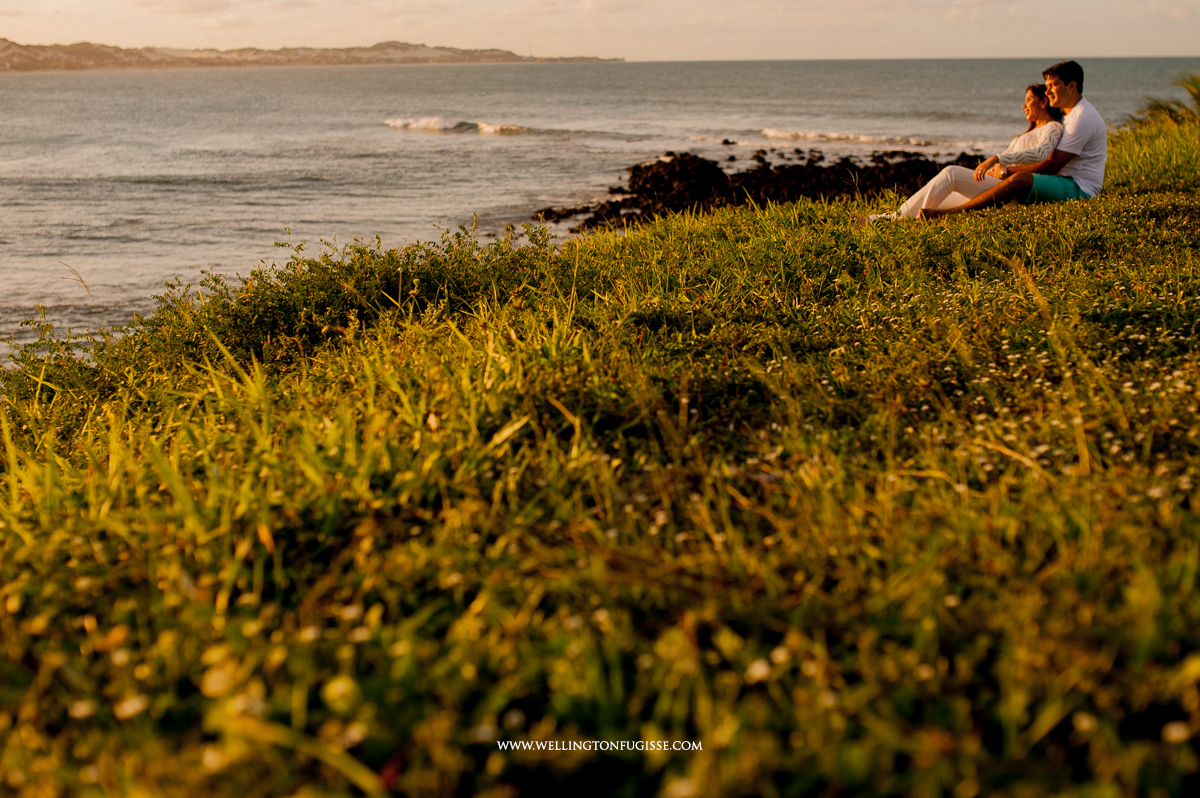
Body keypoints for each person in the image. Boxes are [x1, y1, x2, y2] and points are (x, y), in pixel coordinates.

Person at [919, 60, 1106, 219]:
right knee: (953, 189)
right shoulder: (1068, 116)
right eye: (1046, 86)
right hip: (1062, 181)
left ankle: (949, 215)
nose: (1047, 92)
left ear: (1071, 86)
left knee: (1021, 179)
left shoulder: (1082, 118)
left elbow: (1051, 166)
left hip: (1079, 189)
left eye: (1053, 85)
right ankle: (901, 216)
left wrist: (1006, 171)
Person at [863, 84, 1063, 223]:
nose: (1024, 105)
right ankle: (885, 219)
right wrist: (998, 167)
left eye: (1029, 100)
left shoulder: (1052, 127)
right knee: (939, 201)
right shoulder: (1031, 131)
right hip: (998, 184)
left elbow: (1040, 154)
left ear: (1043, 102)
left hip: (1010, 193)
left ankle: (908, 224)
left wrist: (998, 160)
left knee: (951, 174)